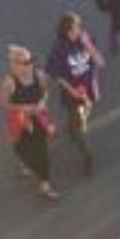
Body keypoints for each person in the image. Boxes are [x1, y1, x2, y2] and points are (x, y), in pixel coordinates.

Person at [45, 12, 104, 175]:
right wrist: (72, 90)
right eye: (77, 26)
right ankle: (88, 155)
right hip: (73, 94)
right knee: (79, 124)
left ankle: (73, 129)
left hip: (89, 89)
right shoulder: (59, 49)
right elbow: (57, 74)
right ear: (68, 31)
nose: (80, 29)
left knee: (81, 117)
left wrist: (88, 45)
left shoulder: (86, 39)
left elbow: (100, 62)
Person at [0, 45, 59, 201]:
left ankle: (45, 184)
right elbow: (4, 104)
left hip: (38, 118)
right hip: (19, 120)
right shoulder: (9, 82)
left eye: (31, 61)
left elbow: (45, 92)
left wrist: (42, 103)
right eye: (25, 63)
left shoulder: (39, 75)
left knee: (41, 150)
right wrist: (22, 107)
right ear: (14, 64)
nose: (29, 65)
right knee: (20, 147)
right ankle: (25, 163)